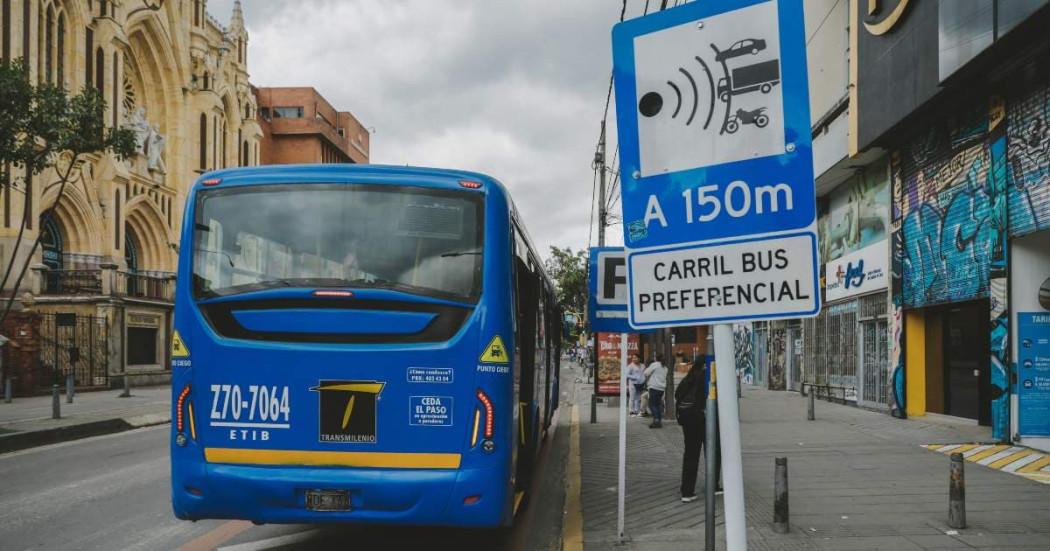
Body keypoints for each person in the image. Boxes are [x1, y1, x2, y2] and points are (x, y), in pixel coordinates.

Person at [676, 359, 708, 502]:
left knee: (690, 454)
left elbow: (677, 395)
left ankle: (687, 490)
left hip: (686, 420)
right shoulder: (705, 378)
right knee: (713, 453)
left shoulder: (688, 378)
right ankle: (713, 485)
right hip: (700, 419)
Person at [643, 354, 668, 428]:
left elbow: (646, 373)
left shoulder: (655, 364)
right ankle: (658, 421)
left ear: (656, 358)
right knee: (657, 405)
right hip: (661, 389)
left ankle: (656, 420)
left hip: (654, 387)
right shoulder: (665, 367)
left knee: (652, 405)